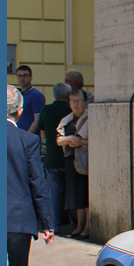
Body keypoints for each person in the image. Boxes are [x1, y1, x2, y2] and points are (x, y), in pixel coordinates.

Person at [7, 85, 55, 266]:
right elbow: (38, 182)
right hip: (18, 218)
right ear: (20, 111)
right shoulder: (29, 140)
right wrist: (46, 223)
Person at [38, 82, 72, 233]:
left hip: (51, 157)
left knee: (54, 193)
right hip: (69, 157)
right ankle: (73, 224)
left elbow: (43, 133)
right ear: (68, 95)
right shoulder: (70, 109)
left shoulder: (46, 109)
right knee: (72, 193)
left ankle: (54, 225)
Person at [57, 90, 89, 239]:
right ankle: (79, 226)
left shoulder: (90, 118)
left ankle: (87, 227)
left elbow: (94, 139)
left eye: (78, 101)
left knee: (85, 194)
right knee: (76, 195)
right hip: (71, 160)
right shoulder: (67, 119)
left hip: (85, 161)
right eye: (73, 101)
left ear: (85, 102)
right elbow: (59, 140)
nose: (75, 104)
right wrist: (71, 138)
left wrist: (79, 142)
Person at [14, 65, 45, 133]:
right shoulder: (17, 95)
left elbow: (37, 119)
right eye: (19, 76)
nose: (22, 78)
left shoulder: (36, 95)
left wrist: (27, 137)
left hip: (29, 140)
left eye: (25, 76)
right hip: (17, 137)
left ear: (31, 77)